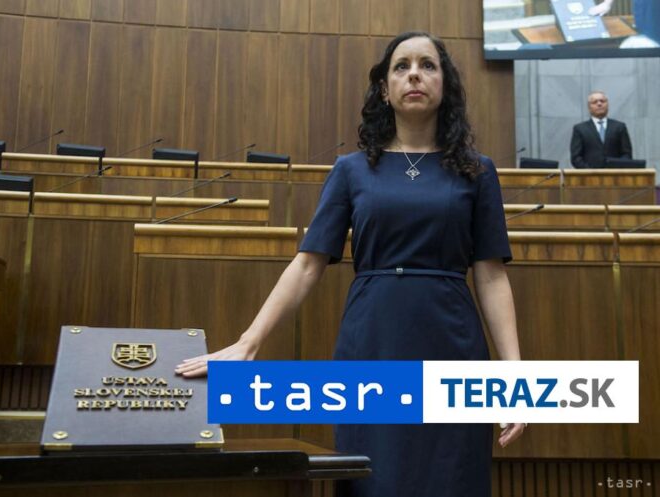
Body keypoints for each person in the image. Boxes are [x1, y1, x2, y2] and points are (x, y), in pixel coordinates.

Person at [176, 31, 524, 497]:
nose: (414, 75)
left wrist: (513, 376)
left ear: (446, 85)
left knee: (451, 477)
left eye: (428, 65)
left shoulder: (477, 171)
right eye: (401, 66)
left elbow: (492, 276)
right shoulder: (352, 170)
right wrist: (248, 342)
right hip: (372, 340)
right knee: (375, 477)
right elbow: (307, 265)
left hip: (452, 341)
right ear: (384, 88)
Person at [570, 91, 632, 169]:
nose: (599, 104)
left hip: (615, 174)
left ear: (607, 105)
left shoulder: (619, 127)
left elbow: (626, 154)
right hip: (589, 175)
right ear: (589, 107)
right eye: (594, 102)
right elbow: (576, 157)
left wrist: (616, 169)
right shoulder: (580, 129)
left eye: (602, 101)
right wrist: (590, 172)